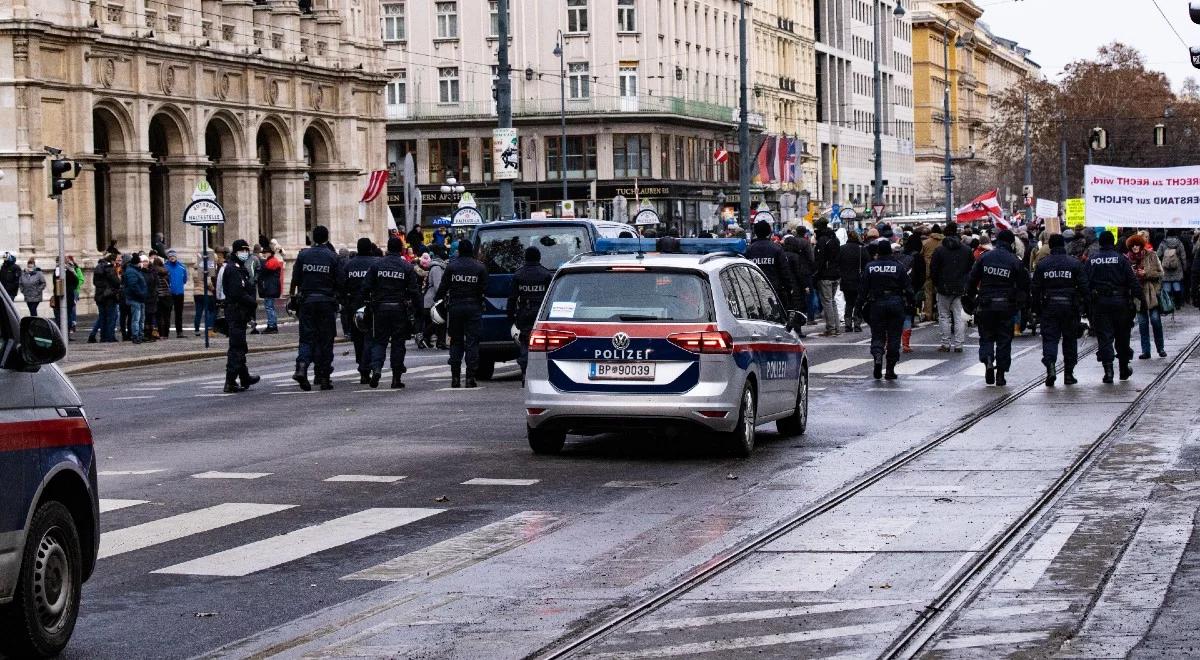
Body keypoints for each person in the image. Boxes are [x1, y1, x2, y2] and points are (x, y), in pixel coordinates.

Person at [966, 230, 1029, 386]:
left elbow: (972, 279)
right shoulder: (1014, 260)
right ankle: (1000, 373)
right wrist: (1021, 304)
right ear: (1011, 243)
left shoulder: (984, 257)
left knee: (986, 337)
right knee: (1004, 340)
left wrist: (971, 298)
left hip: (986, 304)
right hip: (1006, 305)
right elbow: (1024, 285)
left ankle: (988, 360)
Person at [363, 237, 421, 389]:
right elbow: (414, 291)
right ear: (401, 249)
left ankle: (376, 369)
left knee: (379, 341)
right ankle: (396, 378)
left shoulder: (376, 265)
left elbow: (365, 287)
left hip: (380, 308)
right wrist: (418, 310)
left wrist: (366, 304)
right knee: (398, 343)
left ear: (388, 248)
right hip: (399, 309)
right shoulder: (406, 266)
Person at [290, 225, 343, 391]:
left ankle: (302, 367)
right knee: (326, 340)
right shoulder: (332, 257)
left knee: (306, 338)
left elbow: (295, 279)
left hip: (307, 301)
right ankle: (324, 377)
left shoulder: (303, 255)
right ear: (327, 238)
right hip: (326, 302)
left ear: (313, 237)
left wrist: (292, 298)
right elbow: (340, 282)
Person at [1031, 233, 1088, 387]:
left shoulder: (1043, 264)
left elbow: (1035, 289)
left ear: (1050, 246)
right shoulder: (1074, 263)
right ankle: (1068, 374)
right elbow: (1084, 287)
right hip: (1070, 307)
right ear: (1063, 245)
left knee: (1050, 339)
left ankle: (1050, 368)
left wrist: (1037, 309)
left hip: (1049, 307)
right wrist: (1085, 307)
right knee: (1070, 340)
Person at [1086, 230, 1140, 384]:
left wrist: (1086, 303)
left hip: (1100, 303)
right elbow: (1132, 281)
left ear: (1100, 243)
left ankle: (1108, 371)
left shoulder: (1092, 259)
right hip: (1120, 303)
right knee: (1123, 336)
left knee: (1104, 337)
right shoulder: (1121, 259)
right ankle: (1123, 368)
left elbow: (1085, 282)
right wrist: (1140, 298)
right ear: (1113, 242)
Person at [434, 238, 488, 388]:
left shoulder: (452, 267)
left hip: (455, 306)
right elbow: (485, 289)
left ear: (459, 251)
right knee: (472, 342)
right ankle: (470, 377)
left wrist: (437, 301)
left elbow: (443, 287)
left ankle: (455, 377)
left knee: (456, 341)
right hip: (473, 307)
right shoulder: (480, 267)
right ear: (471, 250)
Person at [857, 240, 914, 380]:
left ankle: (877, 355)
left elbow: (863, 289)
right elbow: (908, 288)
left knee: (877, 335)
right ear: (890, 251)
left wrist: (858, 306)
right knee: (894, 337)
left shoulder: (870, 267)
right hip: (895, 303)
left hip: (876, 303)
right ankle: (889, 370)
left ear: (878, 252)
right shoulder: (898, 267)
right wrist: (911, 304)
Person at [508, 246, 554, 378]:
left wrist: (510, 316)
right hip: (540, 313)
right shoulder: (546, 274)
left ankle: (524, 371)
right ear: (539, 258)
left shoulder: (518, 274)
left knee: (525, 341)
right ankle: (539, 371)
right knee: (541, 343)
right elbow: (550, 297)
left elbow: (512, 298)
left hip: (524, 312)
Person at [221, 239, 261, 393]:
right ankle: (230, 381)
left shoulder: (239, 267)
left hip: (240, 312)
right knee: (237, 347)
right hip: (236, 311)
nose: (245, 253)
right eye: (242, 250)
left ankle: (244, 377)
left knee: (240, 346)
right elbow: (237, 292)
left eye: (247, 250)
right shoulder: (233, 269)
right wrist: (253, 302)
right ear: (236, 251)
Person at [929, 223, 973, 353]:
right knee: (959, 316)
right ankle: (959, 344)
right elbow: (970, 267)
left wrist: (937, 283)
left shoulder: (939, 250)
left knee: (944, 316)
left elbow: (933, 270)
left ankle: (945, 343)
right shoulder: (966, 250)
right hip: (960, 286)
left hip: (943, 286)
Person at [341, 238, 379, 383]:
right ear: (370, 248)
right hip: (372, 306)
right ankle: (366, 366)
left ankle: (362, 365)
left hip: (354, 306)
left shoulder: (349, 265)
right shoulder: (376, 263)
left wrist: (345, 304)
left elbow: (343, 285)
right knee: (372, 338)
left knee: (358, 339)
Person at [1127, 233, 1167, 360]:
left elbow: (1161, 273)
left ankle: (1160, 348)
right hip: (1138, 295)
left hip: (1151, 294)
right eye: (1132, 246)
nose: (1135, 248)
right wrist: (1133, 275)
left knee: (1155, 321)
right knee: (1143, 324)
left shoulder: (1152, 255)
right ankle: (1146, 351)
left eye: (1137, 245)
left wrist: (1146, 273)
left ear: (1141, 245)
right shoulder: (1128, 259)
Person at [746, 220, 796, 310]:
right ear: (769, 232)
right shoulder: (776, 249)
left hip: (754, 292)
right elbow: (784, 271)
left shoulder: (749, 250)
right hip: (774, 291)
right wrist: (789, 288)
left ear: (756, 233)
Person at [812, 220, 841, 336]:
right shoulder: (834, 238)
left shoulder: (822, 240)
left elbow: (820, 260)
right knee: (832, 301)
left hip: (826, 275)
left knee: (827, 301)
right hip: (836, 274)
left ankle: (831, 328)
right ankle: (836, 327)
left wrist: (816, 274)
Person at [835, 230, 868, 333]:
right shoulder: (862, 249)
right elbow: (867, 264)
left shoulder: (842, 249)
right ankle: (857, 324)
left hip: (846, 280)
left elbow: (837, 264)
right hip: (859, 280)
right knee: (858, 303)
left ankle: (848, 324)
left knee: (849, 303)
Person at [88, 252, 121, 343]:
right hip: (109, 295)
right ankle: (109, 337)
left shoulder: (98, 267)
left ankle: (103, 337)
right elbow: (116, 282)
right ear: (112, 260)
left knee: (102, 317)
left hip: (99, 295)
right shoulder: (109, 268)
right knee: (111, 317)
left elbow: (95, 282)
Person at [422, 248, 448, 350]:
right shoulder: (437, 268)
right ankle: (424, 336)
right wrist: (443, 295)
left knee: (438, 321)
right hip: (433, 299)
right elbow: (438, 286)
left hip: (432, 299)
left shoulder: (436, 267)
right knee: (439, 320)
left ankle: (437, 342)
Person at [1157, 229, 1188, 308]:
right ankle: (1178, 304)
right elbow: (1183, 256)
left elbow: (1158, 254)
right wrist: (1185, 267)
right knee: (1177, 285)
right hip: (1177, 268)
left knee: (1167, 287)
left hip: (1165, 268)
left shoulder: (1163, 243)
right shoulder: (1179, 243)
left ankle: (1168, 304)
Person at [920, 225, 945, 321]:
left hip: (928, 269)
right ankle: (941, 313)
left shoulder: (925, 242)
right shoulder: (944, 242)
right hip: (941, 270)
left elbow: (921, 254)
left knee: (928, 292)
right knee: (941, 292)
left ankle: (928, 314)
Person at [257, 246, 283, 334]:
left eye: (265, 253)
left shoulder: (272, 261)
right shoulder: (272, 260)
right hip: (271, 287)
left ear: (270, 253)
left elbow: (265, 269)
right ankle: (272, 325)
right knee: (270, 307)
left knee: (269, 307)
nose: (264, 254)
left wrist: (262, 260)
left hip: (270, 288)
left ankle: (272, 326)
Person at [123, 256, 148, 344]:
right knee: (136, 319)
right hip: (135, 298)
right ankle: (135, 336)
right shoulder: (131, 271)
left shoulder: (136, 270)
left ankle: (140, 335)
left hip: (140, 298)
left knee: (141, 319)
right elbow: (133, 285)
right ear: (137, 262)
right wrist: (141, 294)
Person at [164, 249, 188, 338]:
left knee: (179, 314)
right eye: (170, 257)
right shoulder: (165, 267)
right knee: (167, 313)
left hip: (179, 293)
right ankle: (166, 332)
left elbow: (185, 279)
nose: (172, 258)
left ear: (176, 257)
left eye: (173, 256)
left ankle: (179, 332)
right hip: (169, 293)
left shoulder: (182, 267)